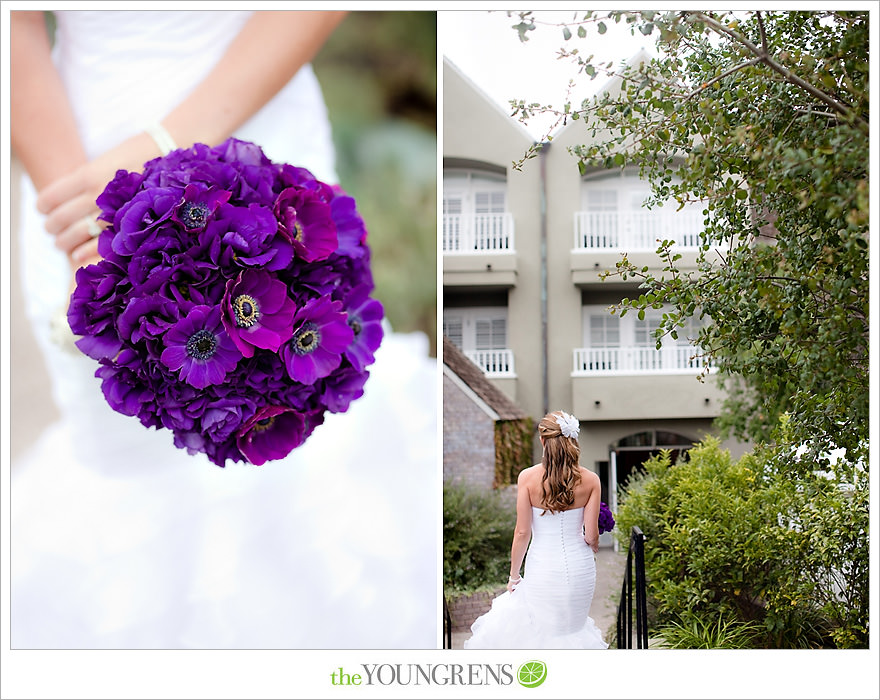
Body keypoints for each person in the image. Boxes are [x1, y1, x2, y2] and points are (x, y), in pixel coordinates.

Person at [10, 10, 436, 649]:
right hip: (75, 167)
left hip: (255, 148)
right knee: (130, 468)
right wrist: (78, 214)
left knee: (297, 465)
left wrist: (157, 145)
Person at [464, 411, 609, 649]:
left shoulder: (527, 478)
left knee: (544, 632)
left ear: (543, 441)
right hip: (580, 567)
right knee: (573, 629)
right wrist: (590, 543)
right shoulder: (591, 480)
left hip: (543, 567)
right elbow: (592, 536)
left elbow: (522, 533)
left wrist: (514, 576)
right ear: (573, 440)